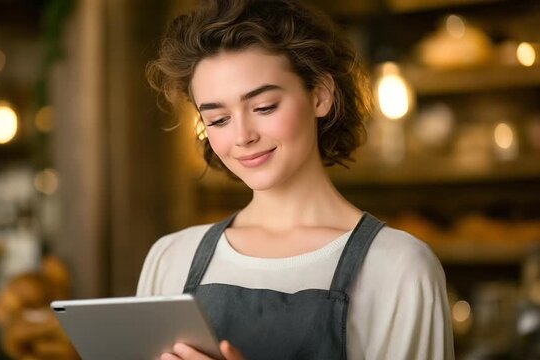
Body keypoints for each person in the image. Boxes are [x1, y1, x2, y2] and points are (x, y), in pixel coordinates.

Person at [138, 0, 455, 359]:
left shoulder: (399, 267)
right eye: (218, 119)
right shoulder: (170, 259)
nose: (242, 136)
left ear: (320, 94)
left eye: (264, 107)